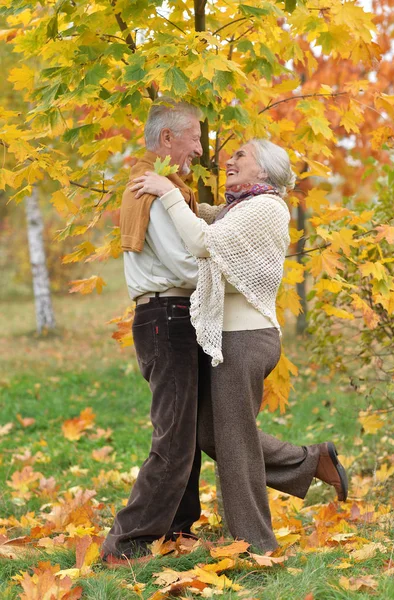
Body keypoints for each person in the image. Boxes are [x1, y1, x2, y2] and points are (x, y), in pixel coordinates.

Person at [132, 138, 349, 553]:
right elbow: (205, 217)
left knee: (233, 445)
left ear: (263, 170)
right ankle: (312, 460)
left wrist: (167, 191)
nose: (228, 161)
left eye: (240, 156)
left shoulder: (267, 208)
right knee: (211, 435)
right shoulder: (241, 208)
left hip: (246, 338)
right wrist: (173, 187)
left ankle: (255, 546)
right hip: (231, 339)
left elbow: (201, 242)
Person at [101, 98, 207, 566]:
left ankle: (178, 529)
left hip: (173, 316)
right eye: (195, 137)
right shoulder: (151, 191)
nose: (201, 149)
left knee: (185, 431)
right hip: (167, 316)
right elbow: (184, 264)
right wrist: (228, 262)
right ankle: (129, 543)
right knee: (174, 437)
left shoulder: (169, 188)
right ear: (168, 139)